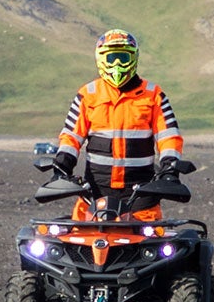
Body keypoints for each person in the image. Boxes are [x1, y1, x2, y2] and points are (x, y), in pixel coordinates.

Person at [50, 29, 184, 222]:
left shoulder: (153, 94)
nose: (117, 64)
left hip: (141, 195)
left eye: (123, 57)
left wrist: (170, 169)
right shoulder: (88, 94)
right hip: (94, 193)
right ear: (101, 59)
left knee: (152, 238)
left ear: (134, 57)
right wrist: (62, 166)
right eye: (112, 58)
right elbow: (71, 136)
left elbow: (169, 137)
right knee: (78, 237)